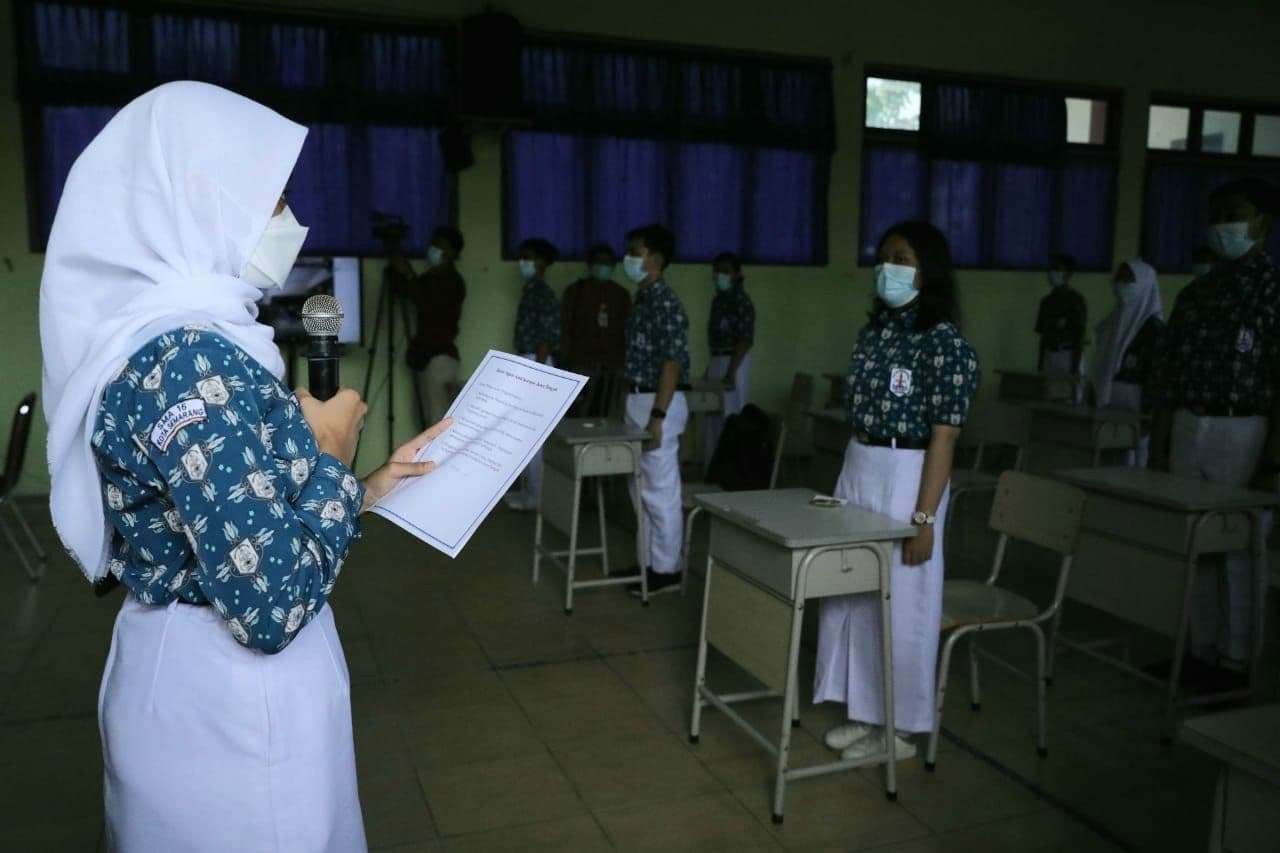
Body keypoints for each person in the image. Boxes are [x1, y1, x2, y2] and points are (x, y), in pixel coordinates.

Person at [39, 82, 451, 852]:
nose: (288, 222)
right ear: (199, 200)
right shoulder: (190, 361)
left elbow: (246, 513)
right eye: (271, 200)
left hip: (201, 685)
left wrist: (364, 488)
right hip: (229, 710)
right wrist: (330, 453)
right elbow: (268, 603)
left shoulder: (181, 339)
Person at [816, 221, 979, 762]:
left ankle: (901, 729)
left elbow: (946, 434)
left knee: (902, 601)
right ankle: (864, 713)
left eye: (903, 257)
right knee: (855, 593)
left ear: (928, 268)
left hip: (910, 472)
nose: (889, 267)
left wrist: (924, 519)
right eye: (884, 256)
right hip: (861, 462)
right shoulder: (876, 332)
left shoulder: (944, 342)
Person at [1149, 177, 1280, 677]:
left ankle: (1237, 657)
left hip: (1244, 429)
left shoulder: (1273, 291)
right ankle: (1199, 650)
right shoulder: (1197, 294)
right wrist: (1159, 446)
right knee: (1195, 546)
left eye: (1235, 214)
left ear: (1261, 223)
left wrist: (1273, 459)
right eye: (1217, 215)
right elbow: (1167, 376)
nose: (1224, 225)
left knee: (1241, 549)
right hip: (1189, 424)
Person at [621, 224, 691, 596]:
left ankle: (668, 569)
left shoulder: (665, 302)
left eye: (637, 252)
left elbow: (672, 363)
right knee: (640, 487)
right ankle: (648, 561)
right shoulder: (643, 299)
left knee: (660, 489)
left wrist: (658, 416)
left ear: (657, 260)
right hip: (638, 398)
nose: (629, 259)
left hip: (658, 402)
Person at [503, 237, 562, 512]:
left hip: (537, 364)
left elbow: (546, 338)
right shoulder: (531, 290)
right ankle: (530, 493)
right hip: (528, 361)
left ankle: (537, 496)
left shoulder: (542, 293)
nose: (522, 263)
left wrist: (536, 374)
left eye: (528, 257)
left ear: (541, 262)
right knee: (525, 434)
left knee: (534, 436)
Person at [1089, 260, 1164, 465]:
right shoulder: (1113, 321)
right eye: (1119, 279)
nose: (1122, 284)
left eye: (1129, 280)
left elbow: (1156, 377)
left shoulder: (1154, 329)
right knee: (1108, 457)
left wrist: (1148, 416)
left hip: (1137, 402)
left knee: (1135, 459)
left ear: (1144, 284)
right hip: (1109, 398)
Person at [396, 225, 466, 428]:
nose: (433, 249)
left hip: (439, 359)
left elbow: (428, 303)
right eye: (432, 244)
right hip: (425, 357)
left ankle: (438, 462)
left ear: (452, 252)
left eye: (439, 246)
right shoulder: (430, 278)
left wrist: (409, 274)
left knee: (437, 424)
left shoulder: (452, 281)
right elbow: (407, 292)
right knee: (425, 422)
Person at [560, 243, 631, 417]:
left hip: (612, 367)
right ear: (590, 265)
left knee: (607, 415)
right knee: (578, 415)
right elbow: (565, 328)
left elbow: (628, 332)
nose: (603, 266)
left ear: (614, 266)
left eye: (608, 263)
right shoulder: (575, 292)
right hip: (581, 365)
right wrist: (564, 362)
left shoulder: (621, 294)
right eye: (599, 262)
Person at [702, 252, 755, 468]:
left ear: (737, 274)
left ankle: (731, 470)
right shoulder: (718, 300)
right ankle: (712, 467)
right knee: (712, 418)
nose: (719, 275)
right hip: (718, 359)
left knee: (731, 417)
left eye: (725, 271)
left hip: (734, 362)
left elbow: (744, 340)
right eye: (717, 271)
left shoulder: (741, 301)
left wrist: (731, 372)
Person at [1036, 252, 1087, 379]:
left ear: (1068, 274)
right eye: (1051, 268)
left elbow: (1079, 336)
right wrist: (1040, 364)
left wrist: (1074, 367)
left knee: (1068, 396)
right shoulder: (1046, 302)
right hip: (1049, 355)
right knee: (1048, 395)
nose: (1052, 272)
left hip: (1068, 356)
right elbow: (1043, 335)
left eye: (1057, 269)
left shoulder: (1076, 300)